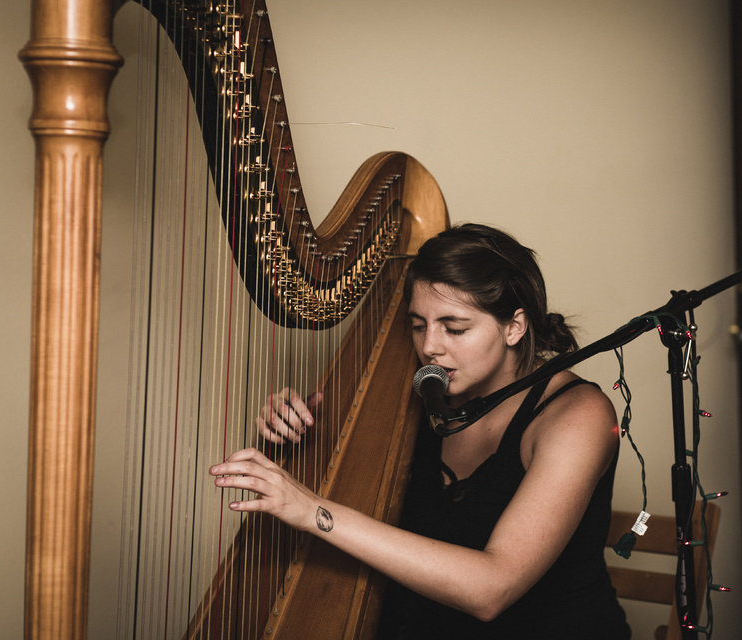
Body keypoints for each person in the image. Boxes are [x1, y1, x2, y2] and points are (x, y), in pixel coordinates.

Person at [210, 224, 631, 639]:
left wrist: (313, 511)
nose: (430, 346)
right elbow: (335, 486)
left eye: (455, 328)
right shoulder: (419, 391)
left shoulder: (578, 415)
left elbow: (492, 589)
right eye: (417, 325)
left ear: (514, 327)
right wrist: (290, 435)